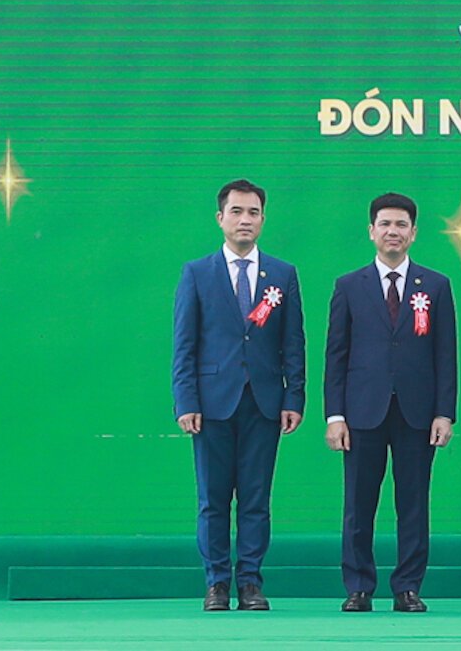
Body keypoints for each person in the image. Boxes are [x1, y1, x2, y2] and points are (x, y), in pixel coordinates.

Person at [171, 178, 305, 612]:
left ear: (263, 219)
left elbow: (293, 342)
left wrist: (294, 397)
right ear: (220, 218)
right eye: (236, 212)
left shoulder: (282, 274)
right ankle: (216, 583)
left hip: (264, 402)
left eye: (253, 213)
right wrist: (186, 400)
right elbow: (184, 343)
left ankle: (249, 582)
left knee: (255, 497)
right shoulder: (197, 272)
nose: (244, 220)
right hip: (211, 404)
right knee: (213, 499)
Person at [323, 192, 457, 613]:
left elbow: (445, 354)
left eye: (401, 224)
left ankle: (408, 587)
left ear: (414, 233)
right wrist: (335, 415)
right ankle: (359, 586)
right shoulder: (349, 285)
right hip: (362, 411)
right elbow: (336, 355)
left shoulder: (435, 285)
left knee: (413, 504)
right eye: (385, 224)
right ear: (371, 231)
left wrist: (444, 412)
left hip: (417, 413)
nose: (392, 231)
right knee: (358, 504)